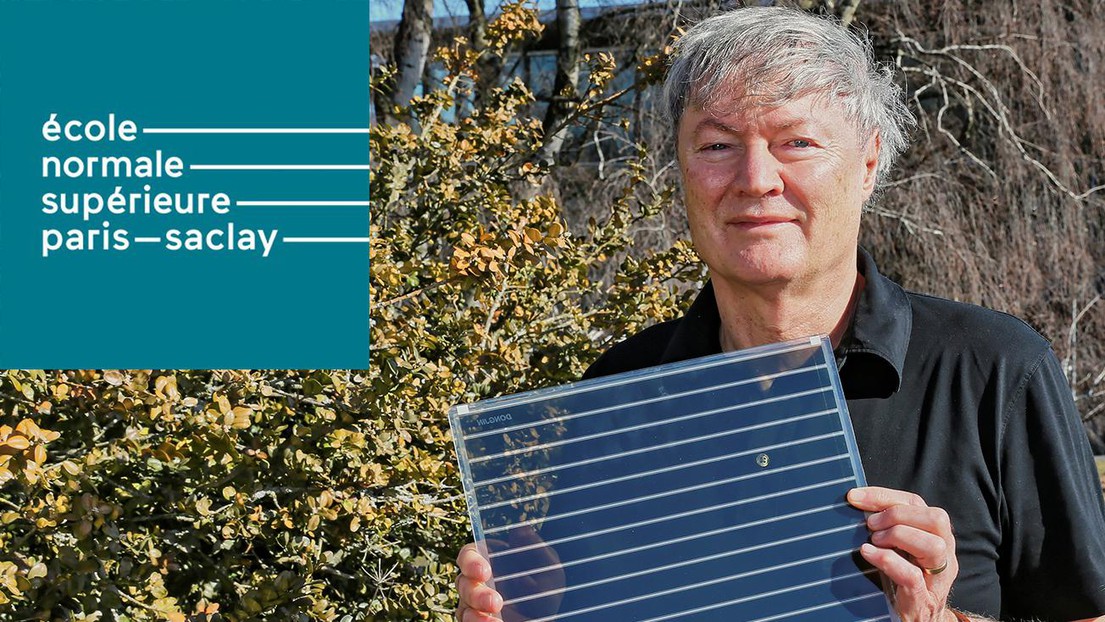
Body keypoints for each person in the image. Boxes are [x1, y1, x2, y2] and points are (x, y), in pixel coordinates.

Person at [455, 6, 1105, 621]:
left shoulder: (992, 371)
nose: (756, 178)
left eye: (795, 141)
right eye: (716, 146)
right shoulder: (617, 394)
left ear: (869, 163)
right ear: (678, 169)